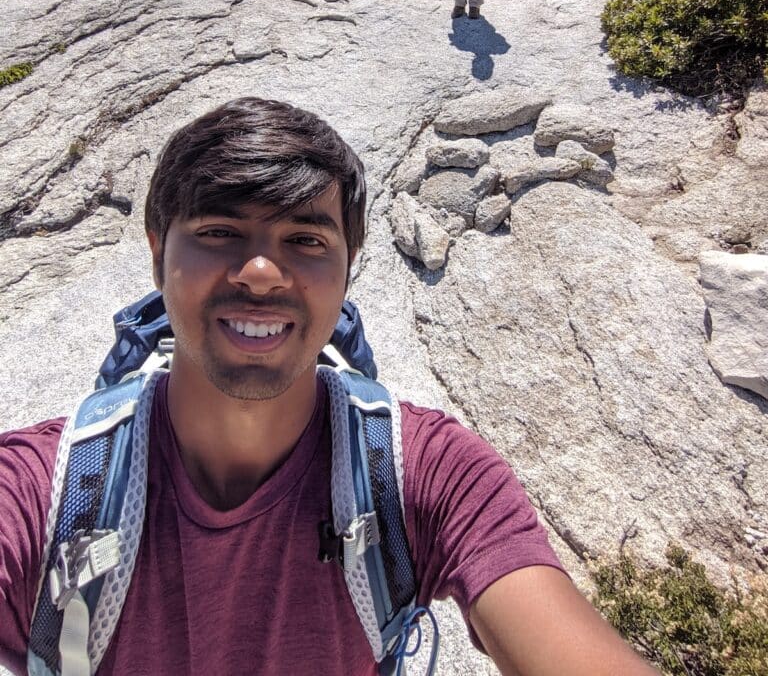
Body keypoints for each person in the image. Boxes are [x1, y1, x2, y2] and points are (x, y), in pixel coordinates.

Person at [0, 97, 658, 676]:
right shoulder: (40, 492)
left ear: (348, 271)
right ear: (156, 253)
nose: (260, 272)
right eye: (219, 232)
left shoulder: (432, 475)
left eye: (305, 240)